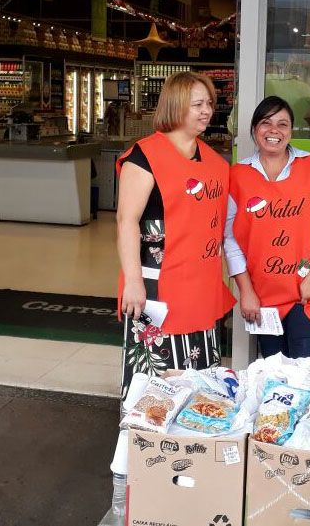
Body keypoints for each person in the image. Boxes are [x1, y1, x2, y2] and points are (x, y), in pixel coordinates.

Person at [116, 71, 235, 400]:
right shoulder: (144, 157)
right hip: (157, 286)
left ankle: (194, 443)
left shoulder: (213, 161)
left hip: (201, 285)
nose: (206, 110)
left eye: (209, 103)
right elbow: (127, 221)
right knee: (157, 381)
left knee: (199, 382)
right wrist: (132, 281)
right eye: (196, 104)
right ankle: (145, 446)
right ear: (175, 106)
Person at [224, 96, 310, 374]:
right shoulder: (238, 176)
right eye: (266, 123)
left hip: (308, 293)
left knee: (309, 378)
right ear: (254, 129)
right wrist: (246, 291)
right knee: (275, 378)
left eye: (282, 124)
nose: (274, 130)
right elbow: (230, 238)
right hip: (263, 299)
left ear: (290, 131)